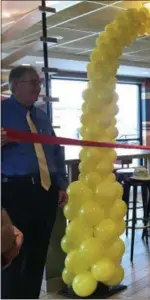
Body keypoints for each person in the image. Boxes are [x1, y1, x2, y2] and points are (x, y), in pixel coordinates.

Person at [1, 65, 68, 298]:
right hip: (14, 193)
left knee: (39, 254)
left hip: (45, 192)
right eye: (33, 82)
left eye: (39, 82)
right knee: (13, 256)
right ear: (15, 85)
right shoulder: (2, 112)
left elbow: (54, 151)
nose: (38, 87)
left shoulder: (41, 115)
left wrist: (60, 184)